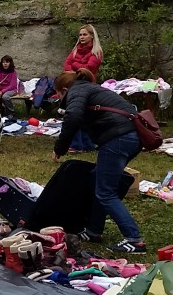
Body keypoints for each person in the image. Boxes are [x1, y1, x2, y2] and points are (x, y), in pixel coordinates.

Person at [53, 68, 145, 253]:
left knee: (105, 191)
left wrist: (59, 148)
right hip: (131, 136)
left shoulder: (77, 90)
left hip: (118, 138)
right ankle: (94, 230)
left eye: (58, 94)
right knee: (98, 179)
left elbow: (74, 117)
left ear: (64, 89)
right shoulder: (89, 88)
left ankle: (134, 239)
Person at [64, 25, 103, 152]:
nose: (81, 37)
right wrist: (78, 68)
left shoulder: (97, 52)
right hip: (74, 84)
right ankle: (83, 144)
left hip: (87, 86)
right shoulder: (75, 50)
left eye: (84, 34)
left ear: (92, 36)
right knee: (78, 114)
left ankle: (81, 144)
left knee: (80, 115)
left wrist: (75, 65)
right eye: (80, 35)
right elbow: (66, 65)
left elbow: (88, 69)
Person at [0, 55, 21, 121]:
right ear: (1, 63)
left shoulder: (13, 72)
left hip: (11, 89)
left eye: (7, 62)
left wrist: (2, 91)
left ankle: (11, 113)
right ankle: (0, 111)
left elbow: (12, 85)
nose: (5, 64)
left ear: (10, 63)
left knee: (5, 97)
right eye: (3, 62)